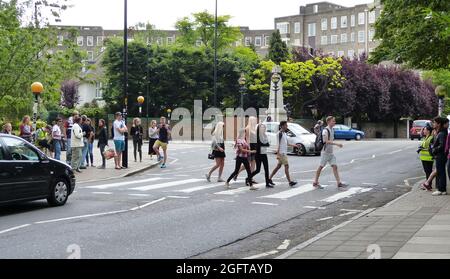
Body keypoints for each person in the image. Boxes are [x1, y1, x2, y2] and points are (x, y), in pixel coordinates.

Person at [313, 116, 347, 189]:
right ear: (328, 122)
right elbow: (326, 141)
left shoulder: (332, 130)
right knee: (321, 167)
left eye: (334, 121)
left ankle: (339, 183)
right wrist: (337, 144)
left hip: (330, 153)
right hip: (325, 152)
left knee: (335, 166)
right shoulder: (325, 131)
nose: (334, 122)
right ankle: (315, 182)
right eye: (333, 121)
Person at [268, 121, 298, 188]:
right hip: (282, 153)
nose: (287, 126)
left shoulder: (284, 133)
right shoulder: (279, 134)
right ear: (282, 126)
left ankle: (269, 178)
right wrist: (278, 154)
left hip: (284, 153)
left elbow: (287, 143)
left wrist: (294, 145)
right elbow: (278, 144)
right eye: (285, 125)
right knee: (286, 166)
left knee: (278, 167)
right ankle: (290, 182)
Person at [431, 117, 448, 196]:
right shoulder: (441, 132)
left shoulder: (441, 133)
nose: (433, 124)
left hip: (440, 155)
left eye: (434, 122)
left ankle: (441, 189)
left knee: (440, 172)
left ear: (439, 124)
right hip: (441, 155)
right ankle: (442, 189)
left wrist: (434, 149)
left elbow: (442, 145)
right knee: (442, 172)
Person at [250, 123, 271, 188]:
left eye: (264, 128)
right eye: (262, 128)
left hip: (264, 153)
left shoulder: (264, 135)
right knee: (258, 170)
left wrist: (264, 144)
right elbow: (259, 145)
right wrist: (264, 144)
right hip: (258, 154)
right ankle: (248, 178)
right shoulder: (256, 136)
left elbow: (268, 144)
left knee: (266, 169)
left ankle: (267, 183)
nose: (264, 129)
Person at [418, 125, 434, 191]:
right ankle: (428, 185)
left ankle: (429, 186)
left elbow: (431, 148)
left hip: (428, 158)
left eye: (424, 130)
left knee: (428, 172)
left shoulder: (431, 138)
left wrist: (423, 148)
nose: (423, 131)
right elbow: (423, 144)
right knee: (427, 172)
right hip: (424, 158)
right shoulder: (426, 137)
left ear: (428, 131)